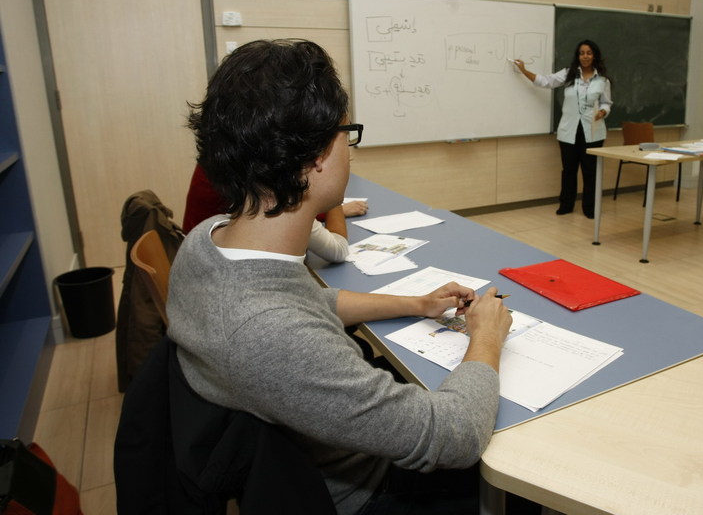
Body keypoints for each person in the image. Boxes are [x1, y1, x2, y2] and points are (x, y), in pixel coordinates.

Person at [166, 38, 513, 515]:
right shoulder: (268, 333)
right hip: (367, 493)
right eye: (344, 134)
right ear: (314, 158)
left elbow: (310, 305)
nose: (350, 150)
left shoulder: (207, 241)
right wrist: (487, 337)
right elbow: (452, 437)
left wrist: (417, 303)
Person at [182, 162, 369, 265]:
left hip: (202, 263)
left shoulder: (222, 162)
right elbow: (337, 251)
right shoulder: (274, 184)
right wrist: (334, 196)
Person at [513, 39, 612, 218]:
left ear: (594, 55)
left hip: (593, 132)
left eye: (589, 53)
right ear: (578, 56)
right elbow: (545, 81)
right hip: (569, 131)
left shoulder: (603, 80)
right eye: (582, 53)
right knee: (568, 170)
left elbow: (606, 102)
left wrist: (603, 111)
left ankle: (590, 208)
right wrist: (524, 70)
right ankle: (566, 204)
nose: (585, 56)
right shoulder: (568, 74)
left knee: (591, 172)